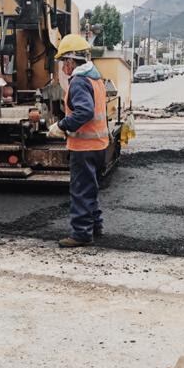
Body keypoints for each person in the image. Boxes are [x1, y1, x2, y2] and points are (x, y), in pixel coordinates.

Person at [47, 34, 110, 248]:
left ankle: (81, 233)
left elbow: (84, 112)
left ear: (72, 61)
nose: (63, 66)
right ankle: (95, 226)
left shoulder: (79, 82)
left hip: (84, 147)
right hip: (99, 144)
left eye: (64, 61)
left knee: (81, 189)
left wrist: (62, 125)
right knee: (90, 188)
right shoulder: (95, 77)